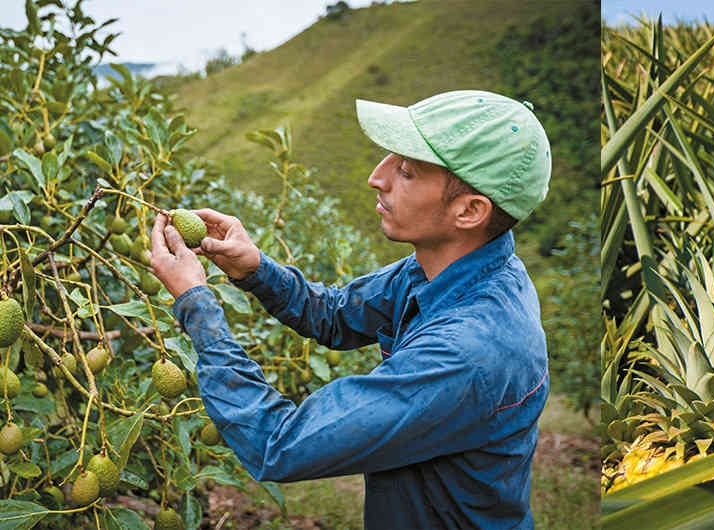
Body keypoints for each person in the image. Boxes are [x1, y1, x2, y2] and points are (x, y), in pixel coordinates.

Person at [148, 89, 552, 529]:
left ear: (470, 211)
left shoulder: (469, 352)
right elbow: (336, 314)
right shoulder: (447, 267)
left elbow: (280, 444)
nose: (376, 178)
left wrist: (197, 304)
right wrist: (255, 268)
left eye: (407, 171)